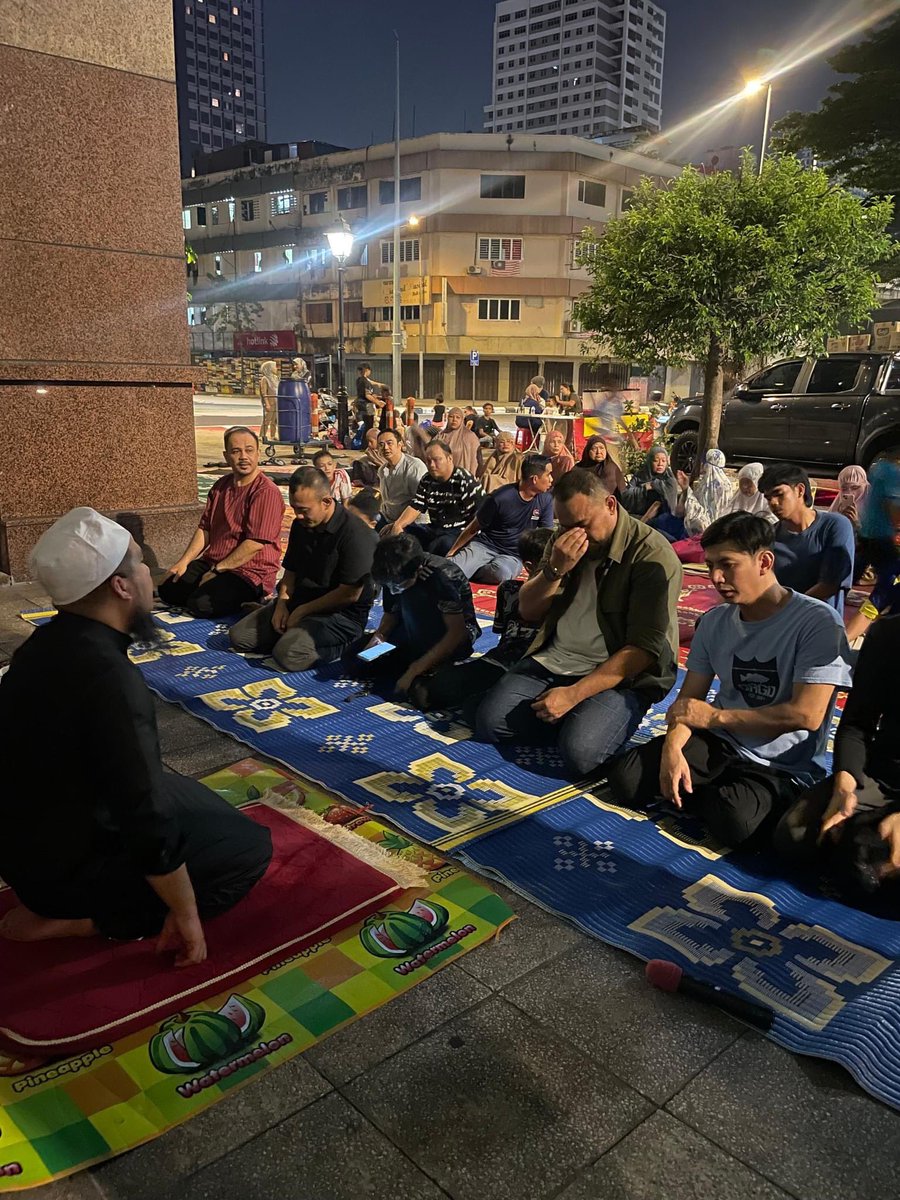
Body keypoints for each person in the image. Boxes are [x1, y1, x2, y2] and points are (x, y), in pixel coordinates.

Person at [0, 508, 272, 961]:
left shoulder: (43, 645)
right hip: (62, 875)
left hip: (28, 847)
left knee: (187, 796)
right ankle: (94, 920)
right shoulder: (110, 678)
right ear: (121, 586)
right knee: (249, 849)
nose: (149, 573)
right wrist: (186, 911)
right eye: (141, 562)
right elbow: (144, 815)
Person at [608, 512, 852, 847]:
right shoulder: (715, 622)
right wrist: (672, 748)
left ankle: (727, 796)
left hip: (778, 762)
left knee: (736, 822)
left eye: (727, 564)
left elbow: (806, 715)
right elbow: (688, 702)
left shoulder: (818, 622)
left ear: (764, 562)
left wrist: (715, 717)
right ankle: (712, 792)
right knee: (626, 779)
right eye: (710, 565)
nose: (715, 577)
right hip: (721, 742)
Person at [476, 469, 682, 778]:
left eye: (583, 524)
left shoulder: (651, 554)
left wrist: (574, 695)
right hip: (557, 659)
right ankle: (571, 718)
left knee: (581, 754)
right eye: (566, 525)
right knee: (490, 722)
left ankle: (582, 717)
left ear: (610, 505)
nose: (575, 535)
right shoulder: (563, 540)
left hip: (621, 675)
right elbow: (528, 610)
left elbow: (642, 650)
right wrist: (555, 570)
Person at [774, 614, 900, 896]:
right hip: (883, 773)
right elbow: (857, 724)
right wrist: (845, 786)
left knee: (864, 866)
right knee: (795, 837)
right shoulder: (889, 633)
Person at [229, 467, 376, 671]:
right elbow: (290, 571)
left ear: (326, 501)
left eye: (304, 510)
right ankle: (292, 634)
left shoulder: (356, 534)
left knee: (288, 654)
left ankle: (346, 645)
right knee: (240, 637)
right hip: (302, 602)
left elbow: (349, 594)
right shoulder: (302, 525)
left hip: (339, 615)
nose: (297, 516)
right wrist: (282, 604)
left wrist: (303, 611)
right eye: (294, 508)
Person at [417, 527, 553, 717]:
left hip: (533, 671)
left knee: (480, 709)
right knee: (428, 690)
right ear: (529, 566)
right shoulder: (509, 590)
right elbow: (504, 636)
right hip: (499, 661)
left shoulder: (563, 596)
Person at [159, 427, 284, 617]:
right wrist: (183, 562)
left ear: (258, 453)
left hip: (249, 570)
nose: (243, 457)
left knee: (202, 604)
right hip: (214, 561)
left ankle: (255, 599)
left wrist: (218, 571)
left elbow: (255, 543)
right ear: (226, 456)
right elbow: (205, 528)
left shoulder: (265, 491)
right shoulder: (220, 486)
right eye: (236, 451)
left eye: (249, 450)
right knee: (169, 588)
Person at [363, 534, 481, 698]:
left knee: (419, 691)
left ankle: (422, 665)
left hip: (450, 635)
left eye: (397, 586)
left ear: (418, 570)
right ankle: (409, 660)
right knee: (358, 661)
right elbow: (391, 614)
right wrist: (378, 639)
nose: (393, 591)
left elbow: (457, 633)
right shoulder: (392, 570)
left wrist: (415, 669)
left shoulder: (442, 575)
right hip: (411, 630)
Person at [759, 462, 855, 616]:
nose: (773, 503)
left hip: (820, 622)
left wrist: (788, 610)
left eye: (779, 494)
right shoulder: (769, 536)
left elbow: (830, 584)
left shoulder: (835, 525)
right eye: (768, 498)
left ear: (800, 490)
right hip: (779, 621)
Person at [448, 454, 555, 583]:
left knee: (502, 573)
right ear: (535, 479)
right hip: (485, 546)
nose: (551, 479)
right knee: (452, 570)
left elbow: (545, 534)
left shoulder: (546, 500)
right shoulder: (500, 497)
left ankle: (474, 571)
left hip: (513, 555)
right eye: (548, 475)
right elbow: (475, 526)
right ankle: (468, 567)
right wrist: (453, 551)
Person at [382, 440, 483, 555]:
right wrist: (398, 524)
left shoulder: (464, 480)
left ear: (449, 458)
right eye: (428, 461)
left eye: (437, 460)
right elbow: (417, 505)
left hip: (458, 532)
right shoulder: (427, 479)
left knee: (439, 545)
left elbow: (481, 515)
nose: (432, 465)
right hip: (435, 528)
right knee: (397, 535)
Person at [621, 446, 689, 542]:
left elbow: (671, 505)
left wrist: (655, 485)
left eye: (663, 461)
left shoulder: (669, 480)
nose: (660, 464)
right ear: (650, 461)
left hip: (664, 521)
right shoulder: (640, 476)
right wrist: (645, 488)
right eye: (656, 460)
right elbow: (626, 495)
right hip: (638, 515)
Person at [376, 427, 427, 527]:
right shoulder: (382, 470)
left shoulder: (414, 467)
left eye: (389, 443)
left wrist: (399, 525)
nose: (385, 448)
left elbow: (420, 503)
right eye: (381, 444)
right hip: (388, 520)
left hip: (413, 524)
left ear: (400, 445)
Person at [443, 406, 482, 475]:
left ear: (462, 420)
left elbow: (477, 460)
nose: (454, 420)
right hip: (444, 476)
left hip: (465, 476)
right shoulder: (440, 436)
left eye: (458, 417)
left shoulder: (470, 437)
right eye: (451, 417)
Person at [830, 464, 869, 528]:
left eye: (855, 488)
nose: (849, 493)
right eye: (844, 489)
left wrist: (856, 523)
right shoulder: (838, 507)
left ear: (865, 486)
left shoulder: (873, 508)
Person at [355, 363, 382, 434]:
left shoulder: (359, 380)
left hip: (360, 404)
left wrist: (379, 384)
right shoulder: (366, 382)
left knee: (363, 427)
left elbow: (370, 382)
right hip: (367, 406)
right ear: (367, 370)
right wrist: (378, 402)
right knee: (368, 427)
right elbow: (367, 395)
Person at [517, 383, 544, 449]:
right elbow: (540, 412)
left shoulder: (523, 401)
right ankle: (539, 445)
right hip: (528, 423)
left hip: (519, 422)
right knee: (544, 426)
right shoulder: (533, 402)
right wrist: (539, 404)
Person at [258, 360, 278, 443]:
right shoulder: (265, 379)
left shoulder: (275, 378)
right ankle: (262, 435)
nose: (276, 368)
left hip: (276, 401)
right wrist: (267, 403)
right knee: (267, 419)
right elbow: (264, 392)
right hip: (270, 401)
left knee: (274, 420)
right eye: (274, 367)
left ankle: (273, 435)